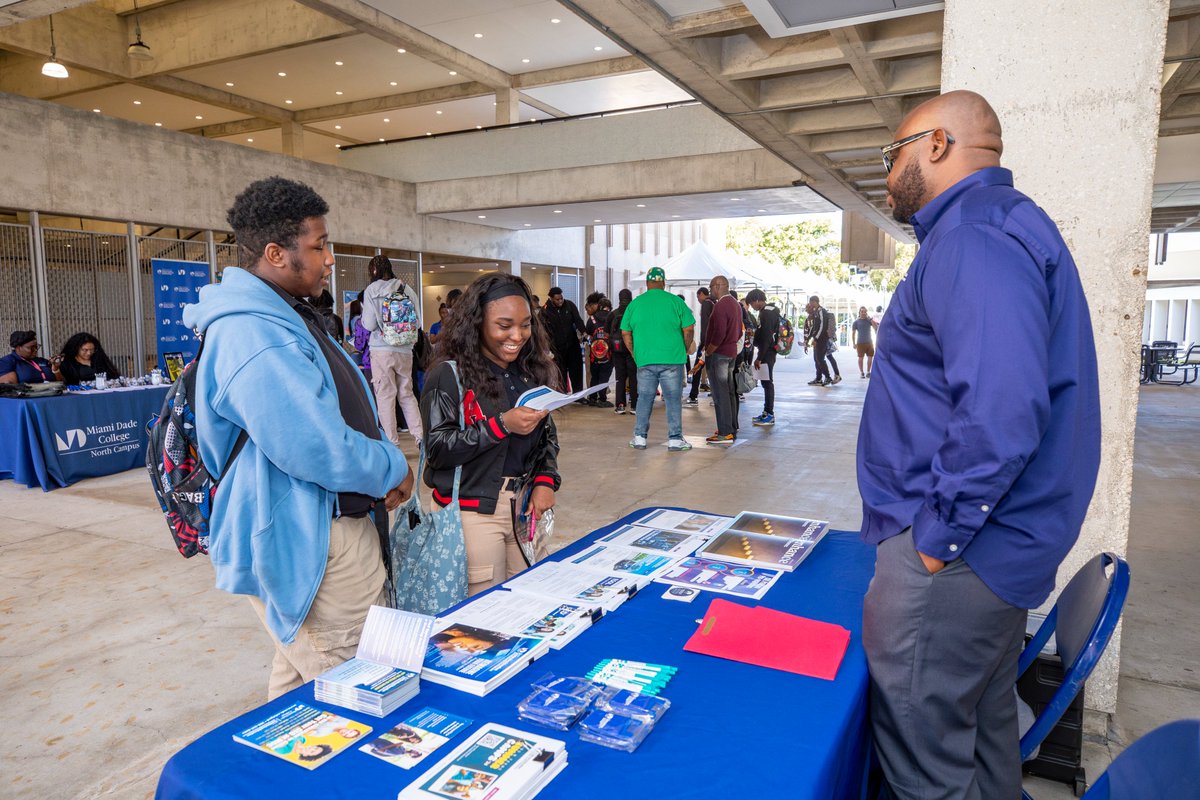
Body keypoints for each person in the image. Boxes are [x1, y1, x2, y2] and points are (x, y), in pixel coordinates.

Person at [857, 90, 1101, 800]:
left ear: (936, 145)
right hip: (987, 557)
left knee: (925, 768)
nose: (888, 173)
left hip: (958, 560)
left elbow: (1001, 411)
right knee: (987, 750)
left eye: (893, 153)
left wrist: (936, 541)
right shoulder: (997, 226)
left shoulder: (971, 237)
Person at [182, 176, 413, 700]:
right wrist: (392, 466)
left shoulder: (283, 314)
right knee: (358, 687)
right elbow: (316, 447)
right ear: (275, 254)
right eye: (319, 246)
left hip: (320, 525)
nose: (330, 259)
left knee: (298, 687)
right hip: (313, 538)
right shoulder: (253, 333)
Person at [420, 273, 561, 596]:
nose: (517, 336)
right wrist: (501, 425)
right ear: (477, 323)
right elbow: (438, 449)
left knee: (531, 601)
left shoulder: (529, 372)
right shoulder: (449, 375)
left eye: (525, 325)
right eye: (504, 325)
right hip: (472, 513)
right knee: (483, 610)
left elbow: (547, 437)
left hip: (524, 508)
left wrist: (545, 480)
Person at [619, 267, 694, 452]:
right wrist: (683, 349)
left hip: (645, 359)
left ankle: (639, 438)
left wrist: (634, 352)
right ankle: (675, 439)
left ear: (647, 283)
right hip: (673, 359)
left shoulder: (635, 304)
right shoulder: (676, 301)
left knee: (644, 398)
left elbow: (625, 332)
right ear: (663, 283)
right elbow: (689, 329)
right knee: (673, 399)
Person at [361, 254, 424, 445]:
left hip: (381, 350)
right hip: (405, 350)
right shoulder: (406, 288)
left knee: (385, 396)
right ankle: (420, 437)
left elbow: (369, 324)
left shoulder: (372, 290)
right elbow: (418, 323)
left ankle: (392, 443)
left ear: (373, 271)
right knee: (407, 394)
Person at [696, 276, 742, 445]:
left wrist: (709, 351)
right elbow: (739, 331)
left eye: (710, 287)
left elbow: (719, 333)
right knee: (729, 392)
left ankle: (725, 433)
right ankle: (731, 428)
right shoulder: (735, 304)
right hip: (731, 353)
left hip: (719, 354)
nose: (710, 291)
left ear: (717, 286)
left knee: (720, 395)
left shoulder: (721, 305)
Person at [542, 287, 586, 394]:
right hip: (557, 347)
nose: (560, 301)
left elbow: (578, 320)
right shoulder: (545, 310)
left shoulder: (569, 305)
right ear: (551, 298)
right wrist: (547, 347)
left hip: (572, 344)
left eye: (561, 298)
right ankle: (563, 394)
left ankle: (578, 394)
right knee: (560, 372)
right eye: (557, 299)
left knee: (576, 370)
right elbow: (542, 330)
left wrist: (584, 332)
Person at [746, 290, 779, 426]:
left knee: (767, 382)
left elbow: (766, 337)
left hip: (767, 352)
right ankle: (767, 412)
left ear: (757, 300)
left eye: (752, 303)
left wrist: (759, 357)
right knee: (766, 382)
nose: (752, 306)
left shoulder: (766, 313)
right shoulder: (770, 310)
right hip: (769, 351)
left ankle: (769, 414)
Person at [607, 288, 637, 415]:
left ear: (619, 299)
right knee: (634, 377)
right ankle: (635, 406)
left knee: (620, 378)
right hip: (632, 349)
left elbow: (607, 331)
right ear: (631, 299)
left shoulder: (613, 314)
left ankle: (620, 405)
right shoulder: (634, 313)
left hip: (617, 350)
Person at [685, 287, 715, 406]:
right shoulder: (714, 303)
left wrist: (704, 343)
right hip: (713, 343)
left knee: (697, 368)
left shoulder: (706, 304)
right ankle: (716, 396)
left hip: (706, 344)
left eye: (698, 297)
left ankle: (693, 396)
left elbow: (706, 325)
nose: (698, 300)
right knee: (712, 370)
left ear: (702, 294)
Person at [584, 295, 614, 407]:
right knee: (604, 377)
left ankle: (592, 398)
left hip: (594, 354)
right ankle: (602, 399)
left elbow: (588, 333)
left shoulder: (592, 319)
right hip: (608, 353)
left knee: (594, 376)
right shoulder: (612, 317)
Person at [802, 296, 832, 387]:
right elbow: (814, 327)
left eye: (810, 302)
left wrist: (815, 339)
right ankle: (818, 378)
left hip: (822, 339)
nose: (810, 304)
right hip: (817, 339)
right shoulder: (816, 312)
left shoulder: (821, 311)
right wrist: (809, 338)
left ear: (815, 302)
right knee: (816, 359)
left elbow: (822, 326)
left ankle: (828, 377)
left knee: (820, 359)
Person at [852, 306, 875, 378]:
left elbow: (876, 327)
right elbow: (853, 333)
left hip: (869, 342)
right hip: (860, 343)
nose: (863, 313)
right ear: (859, 312)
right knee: (860, 358)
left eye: (865, 312)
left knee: (870, 357)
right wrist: (853, 343)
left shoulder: (869, 320)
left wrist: (871, 319)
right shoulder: (856, 322)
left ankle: (868, 371)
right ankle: (861, 372)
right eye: (862, 311)